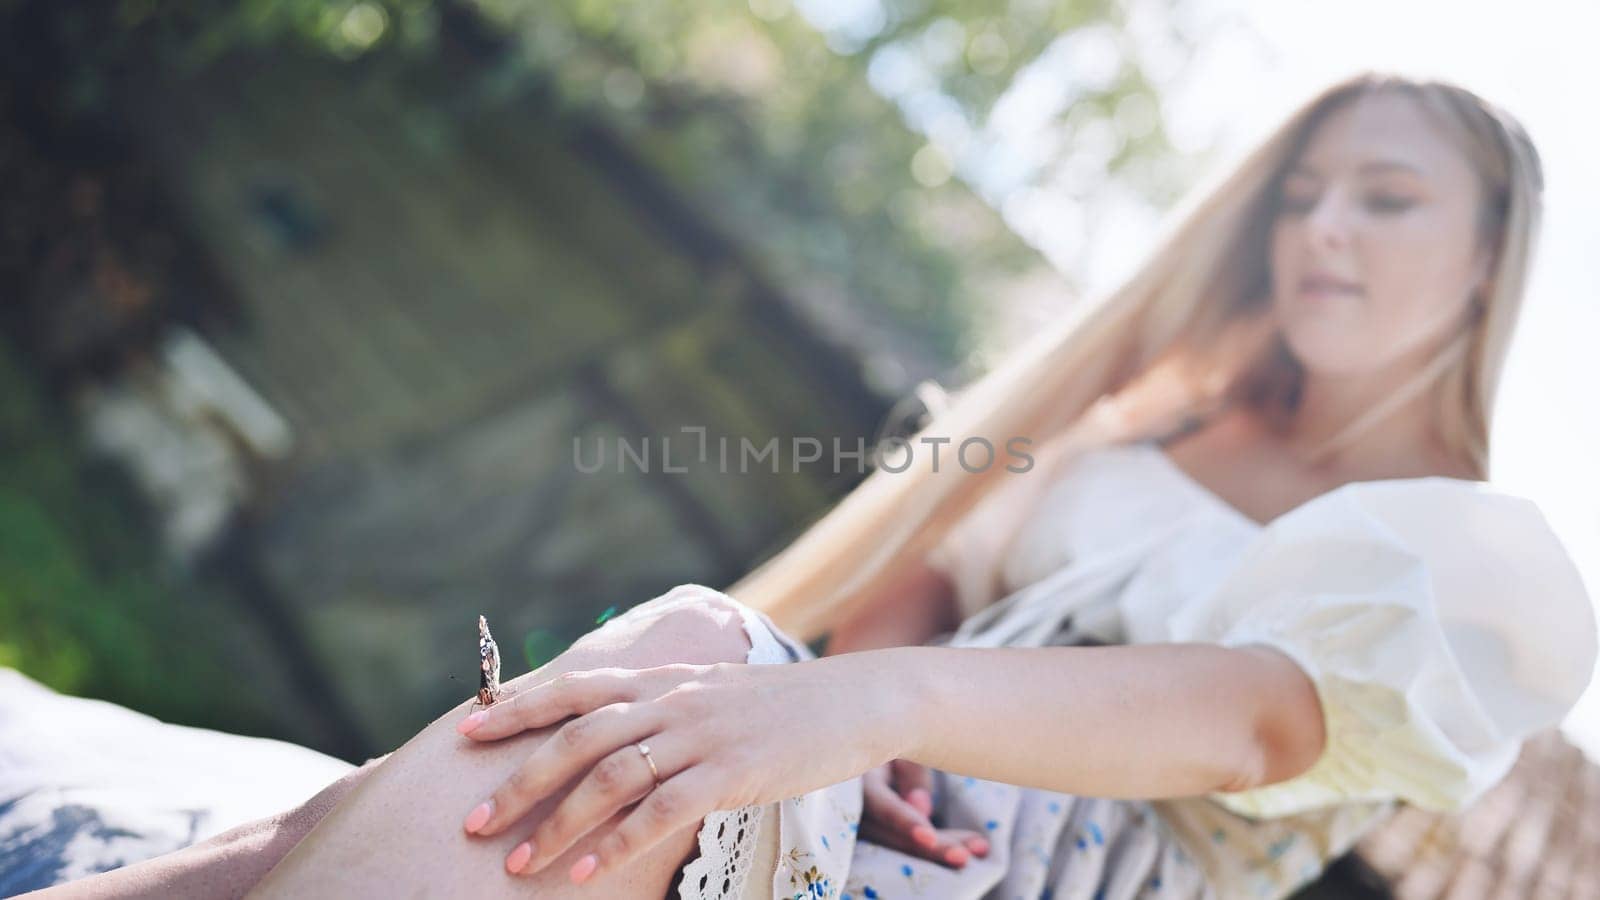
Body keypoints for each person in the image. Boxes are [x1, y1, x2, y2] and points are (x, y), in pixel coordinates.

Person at [31, 70, 1596, 900]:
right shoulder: (1154, 421)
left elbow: (1253, 719)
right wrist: (858, 699)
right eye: (1306, 193)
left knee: (672, 675)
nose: (1324, 227)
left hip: (1038, 874)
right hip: (884, 764)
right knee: (623, 714)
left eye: (1386, 199)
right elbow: (937, 572)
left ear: (1485, 263)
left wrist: (877, 710)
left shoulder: (1465, 561)